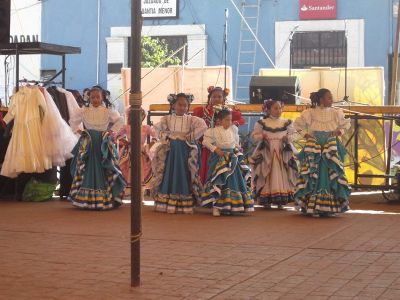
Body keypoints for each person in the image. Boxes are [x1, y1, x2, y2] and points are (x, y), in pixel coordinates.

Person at [294, 88, 351, 217]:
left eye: (331, 98)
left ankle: (330, 206)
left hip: (330, 146)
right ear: (321, 100)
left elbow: (346, 125)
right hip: (315, 147)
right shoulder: (310, 113)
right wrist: (306, 135)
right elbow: (297, 125)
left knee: (331, 173)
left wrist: (339, 132)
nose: (331, 100)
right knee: (314, 173)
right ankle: (313, 206)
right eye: (329, 98)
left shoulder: (336, 112)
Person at [68, 86, 126, 210]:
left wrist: (111, 131)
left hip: (102, 143)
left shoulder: (107, 110)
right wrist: (79, 131)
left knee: (104, 166)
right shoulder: (84, 110)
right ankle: (86, 199)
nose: (95, 99)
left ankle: (105, 198)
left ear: (102, 97)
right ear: (89, 97)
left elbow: (120, 120)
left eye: (97, 97)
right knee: (87, 167)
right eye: (92, 97)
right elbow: (72, 121)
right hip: (87, 143)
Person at [150, 93, 207, 214]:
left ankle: (184, 200)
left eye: (185, 105)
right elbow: (157, 128)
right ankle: (167, 200)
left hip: (184, 151)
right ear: (173, 105)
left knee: (183, 172)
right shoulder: (167, 119)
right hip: (171, 151)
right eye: (180, 105)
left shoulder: (191, 119)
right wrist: (166, 136)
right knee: (169, 172)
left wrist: (190, 136)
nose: (183, 108)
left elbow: (203, 127)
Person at [201, 106, 254, 217]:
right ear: (219, 120)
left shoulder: (233, 129)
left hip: (232, 159)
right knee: (219, 181)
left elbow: (235, 142)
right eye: (226, 120)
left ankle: (231, 205)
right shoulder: (213, 131)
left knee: (233, 181)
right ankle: (216, 207)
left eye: (230, 120)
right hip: (219, 159)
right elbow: (205, 142)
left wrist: (237, 148)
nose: (229, 122)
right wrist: (215, 149)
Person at [192, 86, 246, 184]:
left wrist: (235, 123)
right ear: (210, 98)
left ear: (224, 99)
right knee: (208, 167)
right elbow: (194, 121)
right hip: (208, 146)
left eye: (219, 97)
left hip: (224, 146)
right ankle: (208, 190)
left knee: (226, 170)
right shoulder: (202, 111)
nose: (217, 99)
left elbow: (241, 119)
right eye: (214, 97)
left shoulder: (227, 111)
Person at [250, 100, 298, 209]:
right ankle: (266, 198)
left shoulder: (287, 122)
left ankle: (281, 200)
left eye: (280, 108)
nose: (279, 110)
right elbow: (254, 136)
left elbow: (294, 135)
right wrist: (262, 136)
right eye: (275, 108)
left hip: (282, 151)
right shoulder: (262, 122)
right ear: (268, 110)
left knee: (282, 173)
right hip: (267, 151)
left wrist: (287, 138)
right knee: (266, 172)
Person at [118, 108, 157, 197]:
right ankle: (131, 193)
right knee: (129, 169)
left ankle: (140, 193)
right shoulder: (126, 127)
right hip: (130, 151)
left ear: (143, 117)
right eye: (133, 116)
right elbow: (117, 135)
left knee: (141, 169)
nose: (137, 118)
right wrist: (124, 141)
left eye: (139, 116)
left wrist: (151, 144)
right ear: (130, 117)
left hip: (141, 151)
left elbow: (155, 135)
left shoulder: (146, 127)